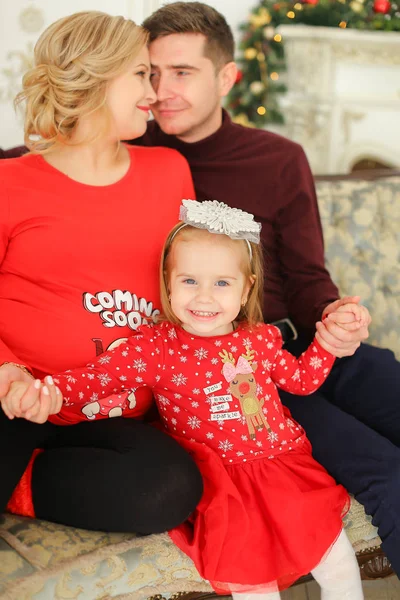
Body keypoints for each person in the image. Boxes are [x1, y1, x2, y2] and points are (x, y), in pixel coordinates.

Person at [129, 1, 400, 572]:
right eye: (149, 73)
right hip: (241, 376)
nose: (162, 90)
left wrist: (336, 317)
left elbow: (306, 276)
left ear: (227, 76)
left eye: (182, 72)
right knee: (387, 471)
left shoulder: (278, 158)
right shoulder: (133, 160)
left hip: (307, 343)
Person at [6, 200, 365, 599]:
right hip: (225, 486)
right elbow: (99, 377)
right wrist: (50, 392)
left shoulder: (258, 340)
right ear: (169, 281)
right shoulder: (157, 348)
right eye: (189, 281)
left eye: (222, 283)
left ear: (247, 288)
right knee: (252, 579)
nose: (204, 298)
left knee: (335, 557)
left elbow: (301, 381)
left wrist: (328, 344)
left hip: (280, 470)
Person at [0, 10, 203, 533]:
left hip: (110, 414)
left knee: (170, 484)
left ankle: (20, 486)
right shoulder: (9, 183)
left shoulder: (170, 172)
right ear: (93, 77)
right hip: (13, 402)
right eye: (140, 74)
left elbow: (193, 285)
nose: (155, 93)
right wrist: (8, 372)